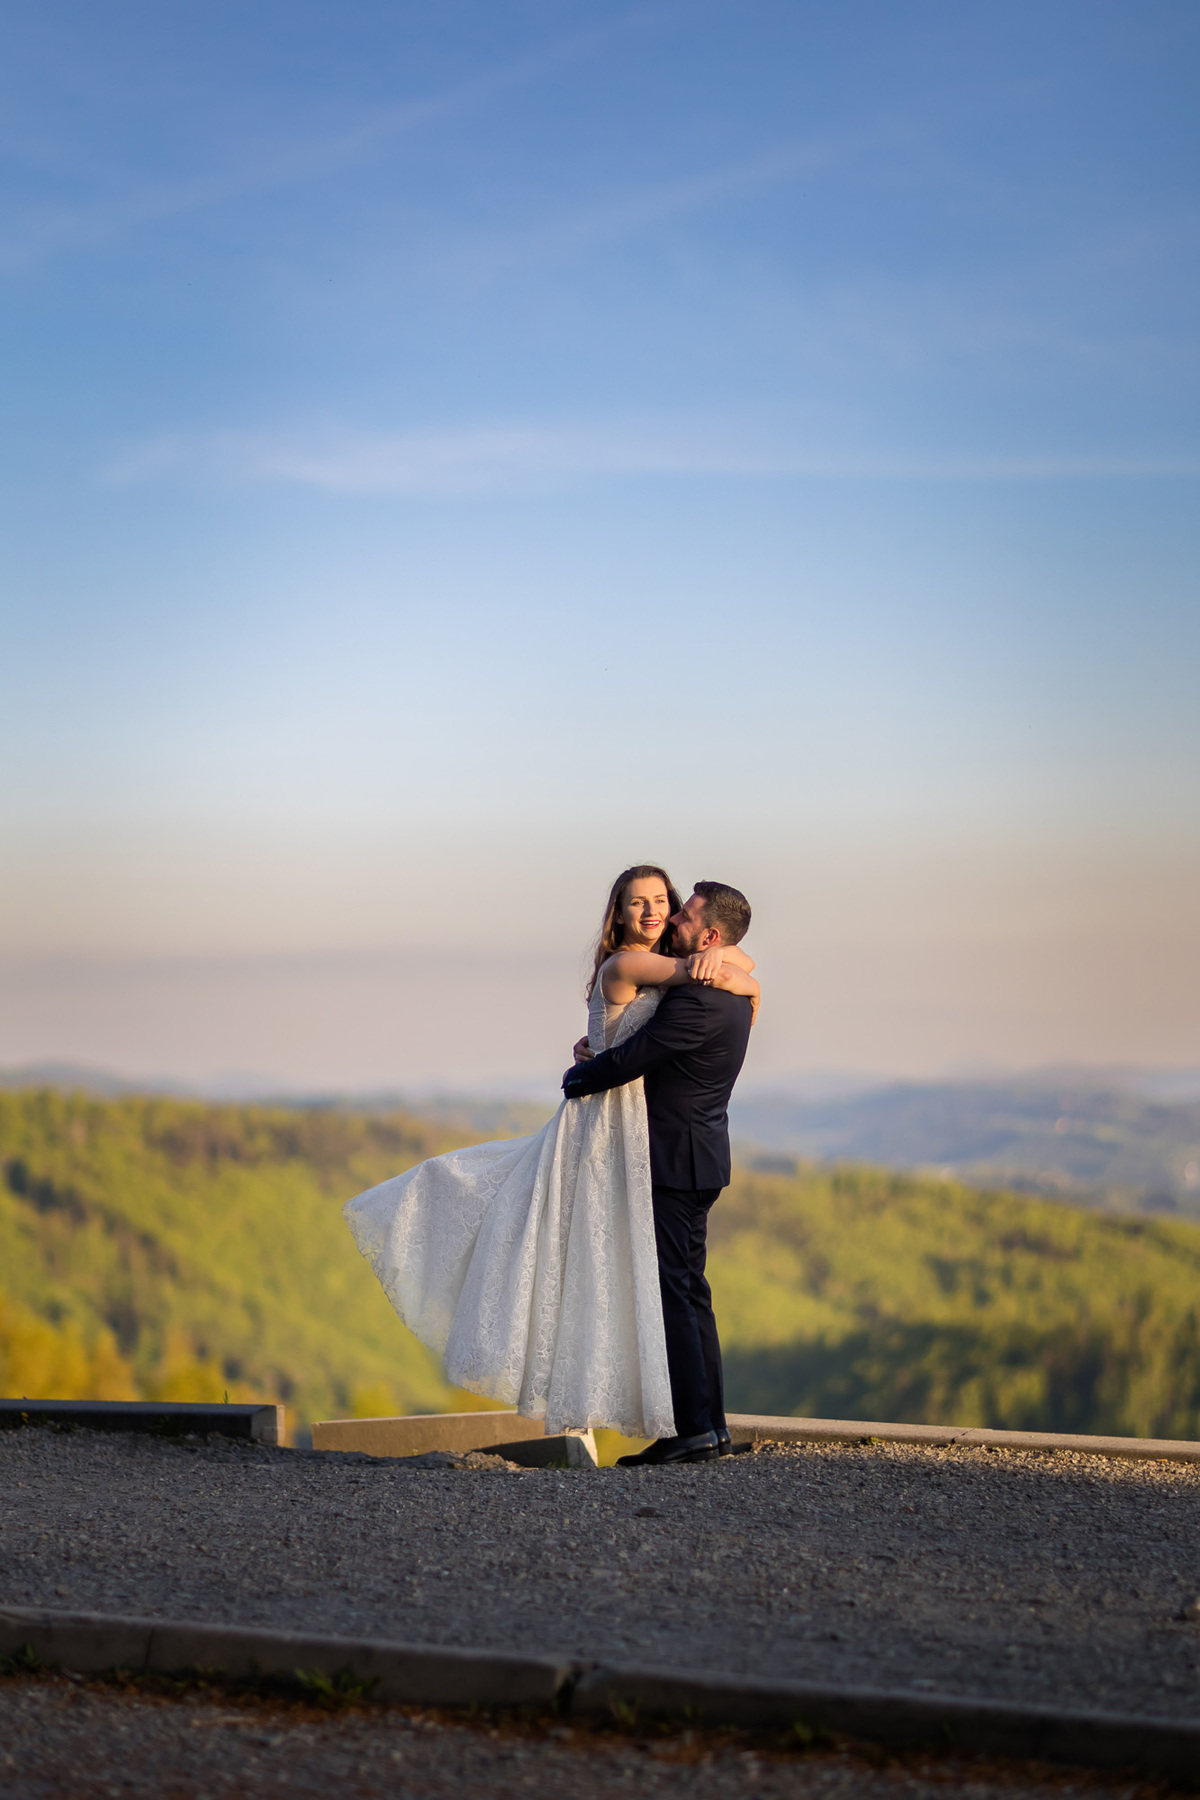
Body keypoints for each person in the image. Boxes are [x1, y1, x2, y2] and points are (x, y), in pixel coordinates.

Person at [343, 865, 759, 1440]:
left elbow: (732, 968)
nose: (657, 912)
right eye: (639, 903)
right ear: (616, 913)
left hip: (643, 1138)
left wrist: (738, 975)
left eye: (666, 902)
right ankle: (697, 1427)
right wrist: (740, 977)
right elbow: (720, 969)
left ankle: (698, 1429)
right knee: (599, 1259)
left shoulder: (687, 978)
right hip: (608, 1126)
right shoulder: (632, 965)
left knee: (668, 1285)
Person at [562, 881, 755, 1466]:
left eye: (687, 914)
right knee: (692, 1293)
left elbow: (633, 1059)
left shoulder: (698, 1001)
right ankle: (712, 1427)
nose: (674, 918)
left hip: (674, 1159)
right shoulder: (731, 995)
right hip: (700, 1156)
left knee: (675, 1294)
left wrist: (576, 1079)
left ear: (710, 936)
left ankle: (692, 1431)